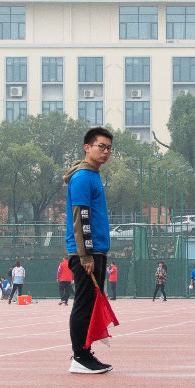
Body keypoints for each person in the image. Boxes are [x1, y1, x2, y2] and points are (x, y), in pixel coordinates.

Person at [64, 126, 114, 373]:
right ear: (87, 147)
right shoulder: (83, 177)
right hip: (86, 252)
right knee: (84, 302)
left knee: (91, 301)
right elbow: (81, 218)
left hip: (97, 250)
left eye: (109, 148)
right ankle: (79, 356)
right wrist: (85, 255)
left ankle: (85, 353)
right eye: (100, 147)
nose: (105, 152)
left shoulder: (93, 175)